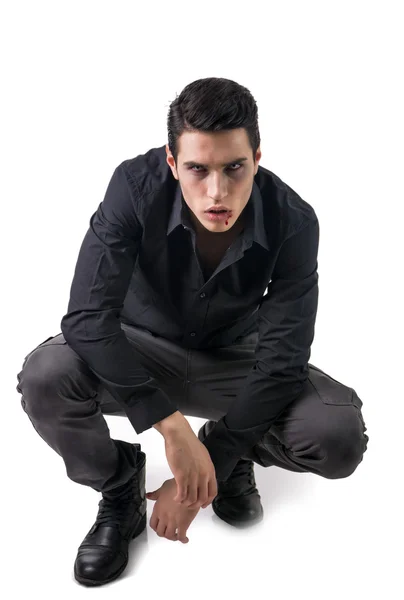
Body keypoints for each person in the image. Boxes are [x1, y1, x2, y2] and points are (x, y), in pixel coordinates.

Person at [16, 76, 369, 587]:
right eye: (198, 170)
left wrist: (215, 457)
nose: (217, 192)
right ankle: (119, 490)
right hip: (139, 352)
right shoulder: (134, 187)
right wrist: (170, 427)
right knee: (46, 376)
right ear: (171, 161)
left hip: (234, 360)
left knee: (336, 437)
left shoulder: (294, 219)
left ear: (258, 158)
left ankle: (230, 452)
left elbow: (283, 356)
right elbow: (87, 318)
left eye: (235, 168)